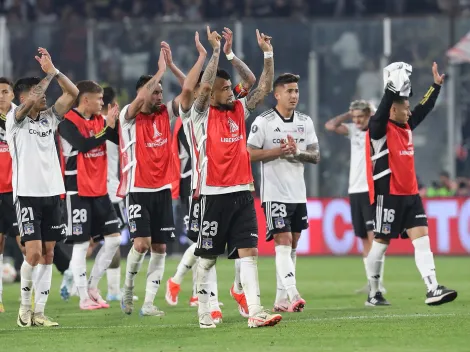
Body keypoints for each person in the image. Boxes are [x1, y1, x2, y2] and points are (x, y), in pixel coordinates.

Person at [183, 26, 281, 329]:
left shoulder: (238, 109)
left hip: (242, 192)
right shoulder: (198, 113)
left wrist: (267, 54)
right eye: (224, 89)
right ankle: (204, 309)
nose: (231, 92)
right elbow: (207, 83)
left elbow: (261, 87)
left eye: (229, 89)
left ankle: (255, 312)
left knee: (249, 252)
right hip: (211, 193)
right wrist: (214, 52)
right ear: (210, 93)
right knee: (208, 257)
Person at [166, 28, 255, 321]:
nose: (231, 92)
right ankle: (207, 302)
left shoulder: (229, 104)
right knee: (205, 250)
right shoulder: (192, 112)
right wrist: (210, 53)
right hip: (200, 188)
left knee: (228, 247)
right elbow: (196, 88)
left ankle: (240, 297)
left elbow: (248, 83)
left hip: (234, 187)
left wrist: (222, 52)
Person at [365, 62, 457, 306]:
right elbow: (383, 108)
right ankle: (374, 291)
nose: (409, 112)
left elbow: (423, 108)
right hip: (388, 195)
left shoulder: (406, 126)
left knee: (422, 239)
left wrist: (435, 86)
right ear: (392, 110)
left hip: (411, 195)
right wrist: (391, 88)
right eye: (404, 108)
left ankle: (432, 288)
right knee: (381, 244)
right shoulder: (378, 130)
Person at [6, 47, 79, 327]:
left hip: (52, 194)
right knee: (33, 253)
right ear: (23, 97)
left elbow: (72, 95)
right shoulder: (16, 120)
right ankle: (25, 308)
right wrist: (46, 77)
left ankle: (40, 313)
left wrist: (55, 72)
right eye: (36, 91)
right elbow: (34, 98)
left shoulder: (50, 118)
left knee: (48, 254)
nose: (43, 94)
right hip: (26, 195)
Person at [247, 73, 319, 313]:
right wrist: (278, 151)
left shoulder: (305, 122)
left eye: (296, 91)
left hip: (298, 193)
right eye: (289, 91)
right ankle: (293, 292)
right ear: (277, 94)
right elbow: (248, 154)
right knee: (283, 241)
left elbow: (315, 156)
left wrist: (296, 151)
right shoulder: (264, 121)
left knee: (294, 243)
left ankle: (280, 300)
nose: (294, 95)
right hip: (274, 193)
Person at [118, 47, 175, 317]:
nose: (159, 95)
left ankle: (149, 302)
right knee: (140, 244)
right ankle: (128, 288)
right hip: (138, 189)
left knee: (160, 247)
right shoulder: (128, 117)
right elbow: (138, 101)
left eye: (161, 91)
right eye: (154, 91)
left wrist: (172, 67)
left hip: (162, 189)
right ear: (142, 94)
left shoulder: (165, 113)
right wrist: (160, 69)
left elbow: (188, 95)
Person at [58, 80, 121, 311]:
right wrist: (107, 128)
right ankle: (83, 296)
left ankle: (93, 286)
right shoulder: (66, 123)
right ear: (86, 100)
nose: (102, 102)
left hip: (100, 189)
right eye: (99, 99)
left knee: (114, 238)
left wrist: (113, 126)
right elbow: (83, 146)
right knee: (82, 244)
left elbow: (116, 139)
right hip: (77, 190)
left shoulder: (100, 121)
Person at [325, 100, 386, 294]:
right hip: (355, 190)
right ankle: (371, 282)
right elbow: (330, 126)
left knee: (374, 237)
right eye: (356, 117)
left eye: (361, 116)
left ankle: (378, 283)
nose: (358, 120)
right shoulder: (353, 130)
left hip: (371, 189)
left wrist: (374, 111)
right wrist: (348, 114)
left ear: (369, 115)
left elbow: (382, 120)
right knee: (364, 239)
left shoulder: (377, 132)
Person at [0, 77, 17, 313]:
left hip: (17, 189)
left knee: (27, 244)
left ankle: (30, 301)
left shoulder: (20, 116)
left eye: (5, 91)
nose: (1, 95)